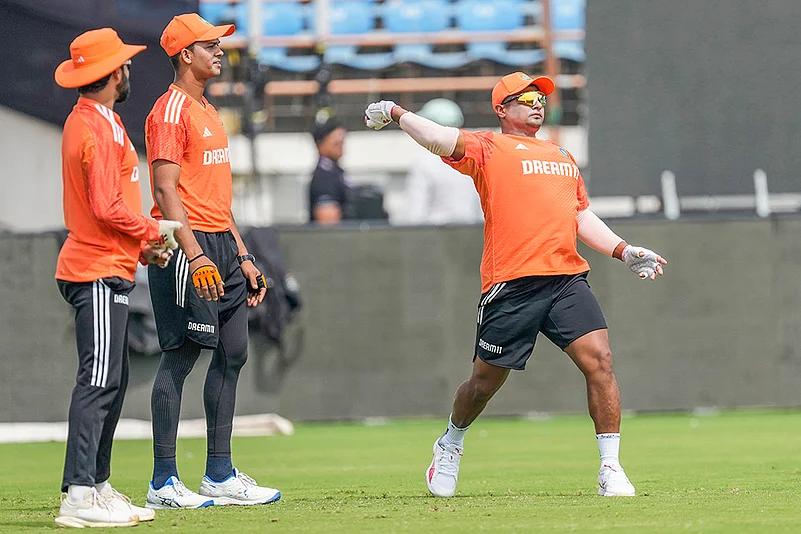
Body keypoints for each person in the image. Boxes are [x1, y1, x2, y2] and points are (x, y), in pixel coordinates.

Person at [365, 72, 668, 498]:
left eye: (541, 97)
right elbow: (438, 138)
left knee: (600, 361)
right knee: (484, 384)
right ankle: (451, 441)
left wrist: (623, 249)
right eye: (525, 98)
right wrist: (398, 113)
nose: (537, 104)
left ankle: (610, 467)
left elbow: (579, 216)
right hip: (512, 284)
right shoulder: (489, 147)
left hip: (565, 278)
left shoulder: (562, 155)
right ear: (502, 109)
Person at [143, 13, 280, 509]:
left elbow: (217, 197)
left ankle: (219, 474)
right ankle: (162, 481)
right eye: (210, 44)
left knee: (234, 353)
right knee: (180, 357)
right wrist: (195, 253)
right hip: (187, 246)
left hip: (222, 243)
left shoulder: (208, 109)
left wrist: (242, 254)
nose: (221, 50)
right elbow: (164, 188)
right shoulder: (169, 110)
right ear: (186, 54)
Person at [53, 28, 181, 527]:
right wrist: (152, 231)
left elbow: (103, 208)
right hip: (96, 269)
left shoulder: (92, 120)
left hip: (107, 263)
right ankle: (80, 496)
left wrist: (143, 245)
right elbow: (107, 207)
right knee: (100, 380)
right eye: (124, 64)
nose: (129, 70)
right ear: (113, 73)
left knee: (113, 378)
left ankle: (97, 486)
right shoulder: (97, 127)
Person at [403, 99, 484, 225]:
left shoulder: (424, 163)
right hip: (471, 233)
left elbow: (415, 214)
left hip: (435, 236)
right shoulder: (475, 159)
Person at [308, 120, 351, 225]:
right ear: (320, 145)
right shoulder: (324, 177)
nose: (341, 147)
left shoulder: (335, 172)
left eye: (342, 143)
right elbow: (328, 222)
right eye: (336, 144)